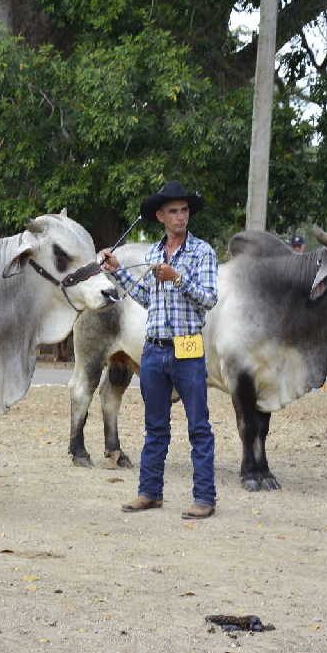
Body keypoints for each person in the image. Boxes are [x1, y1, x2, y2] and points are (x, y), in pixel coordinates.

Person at [100, 181, 219, 519]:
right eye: (173, 211)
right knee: (155, 426)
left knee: (199, 426)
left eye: (184, 211)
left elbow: (209, 299)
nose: (180, 217)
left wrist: (177, 277)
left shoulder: (203, 252)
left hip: (188, 346)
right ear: (160, 216)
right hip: (153, 349)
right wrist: (117, 272)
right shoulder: (153, 254)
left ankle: (205, 498)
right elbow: (147, 299)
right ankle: (149, 493)